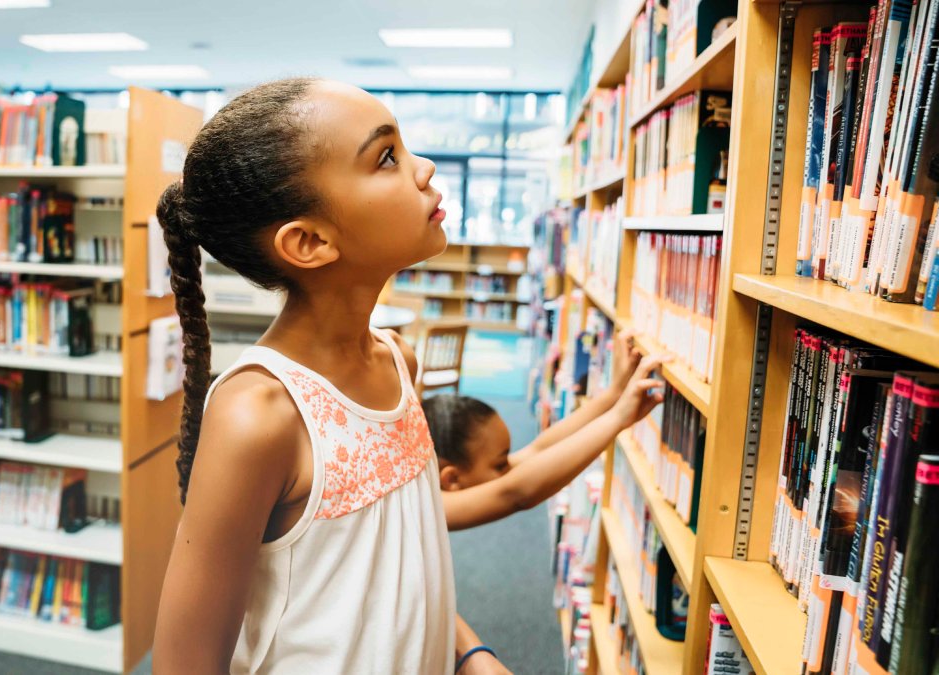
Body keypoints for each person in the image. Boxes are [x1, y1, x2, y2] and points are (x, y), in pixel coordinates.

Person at [152, 76, 511, 673]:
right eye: (387, 157)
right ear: (311, 241)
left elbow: (394, 559)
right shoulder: (259, 416)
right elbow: (185, 663)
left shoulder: (399, 361)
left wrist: (465, 649)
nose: (423, 169)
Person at [423, 329, 668, 531]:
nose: (510, 469)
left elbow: (538, 450)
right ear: (452, 479)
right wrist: (617, 419)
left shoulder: (425, 480)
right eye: (499, 466)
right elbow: (515, 493)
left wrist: (614, 395)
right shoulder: (422, 508)